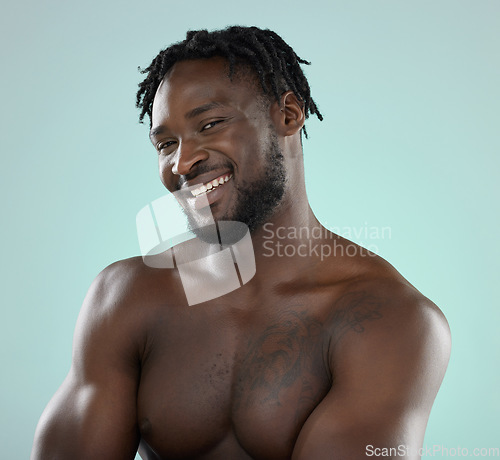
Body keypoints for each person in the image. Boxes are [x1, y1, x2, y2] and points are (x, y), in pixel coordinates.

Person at [31, 26, 451, 459]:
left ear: (288, 114)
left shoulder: (389, 319)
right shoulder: (125, 298)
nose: (182, 162)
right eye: (166, 143)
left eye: (210, 125)